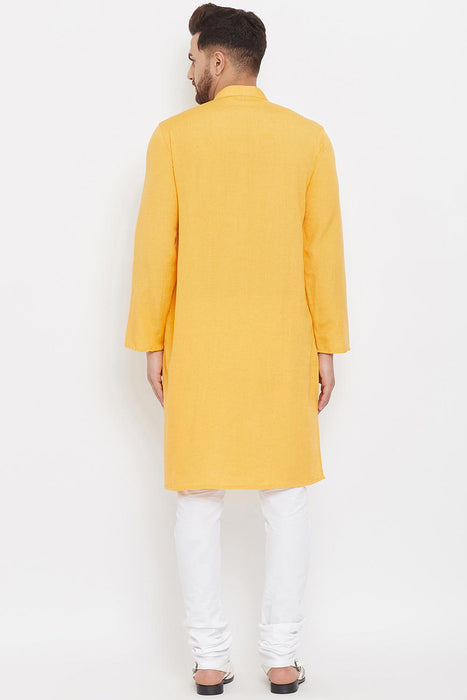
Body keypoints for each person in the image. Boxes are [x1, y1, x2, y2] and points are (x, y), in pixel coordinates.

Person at [124, 3, 350, 695]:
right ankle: (280, 658)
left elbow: (155, 248)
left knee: (198, 497)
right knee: (286, 498)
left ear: (218, 61)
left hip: (199, 344)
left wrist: (151, 340)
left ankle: (209, 660)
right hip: (283, 344)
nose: (188, 69)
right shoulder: (307, 138)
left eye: (193, 57)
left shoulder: (173, 138)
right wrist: (326, 347)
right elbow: (322, 254)